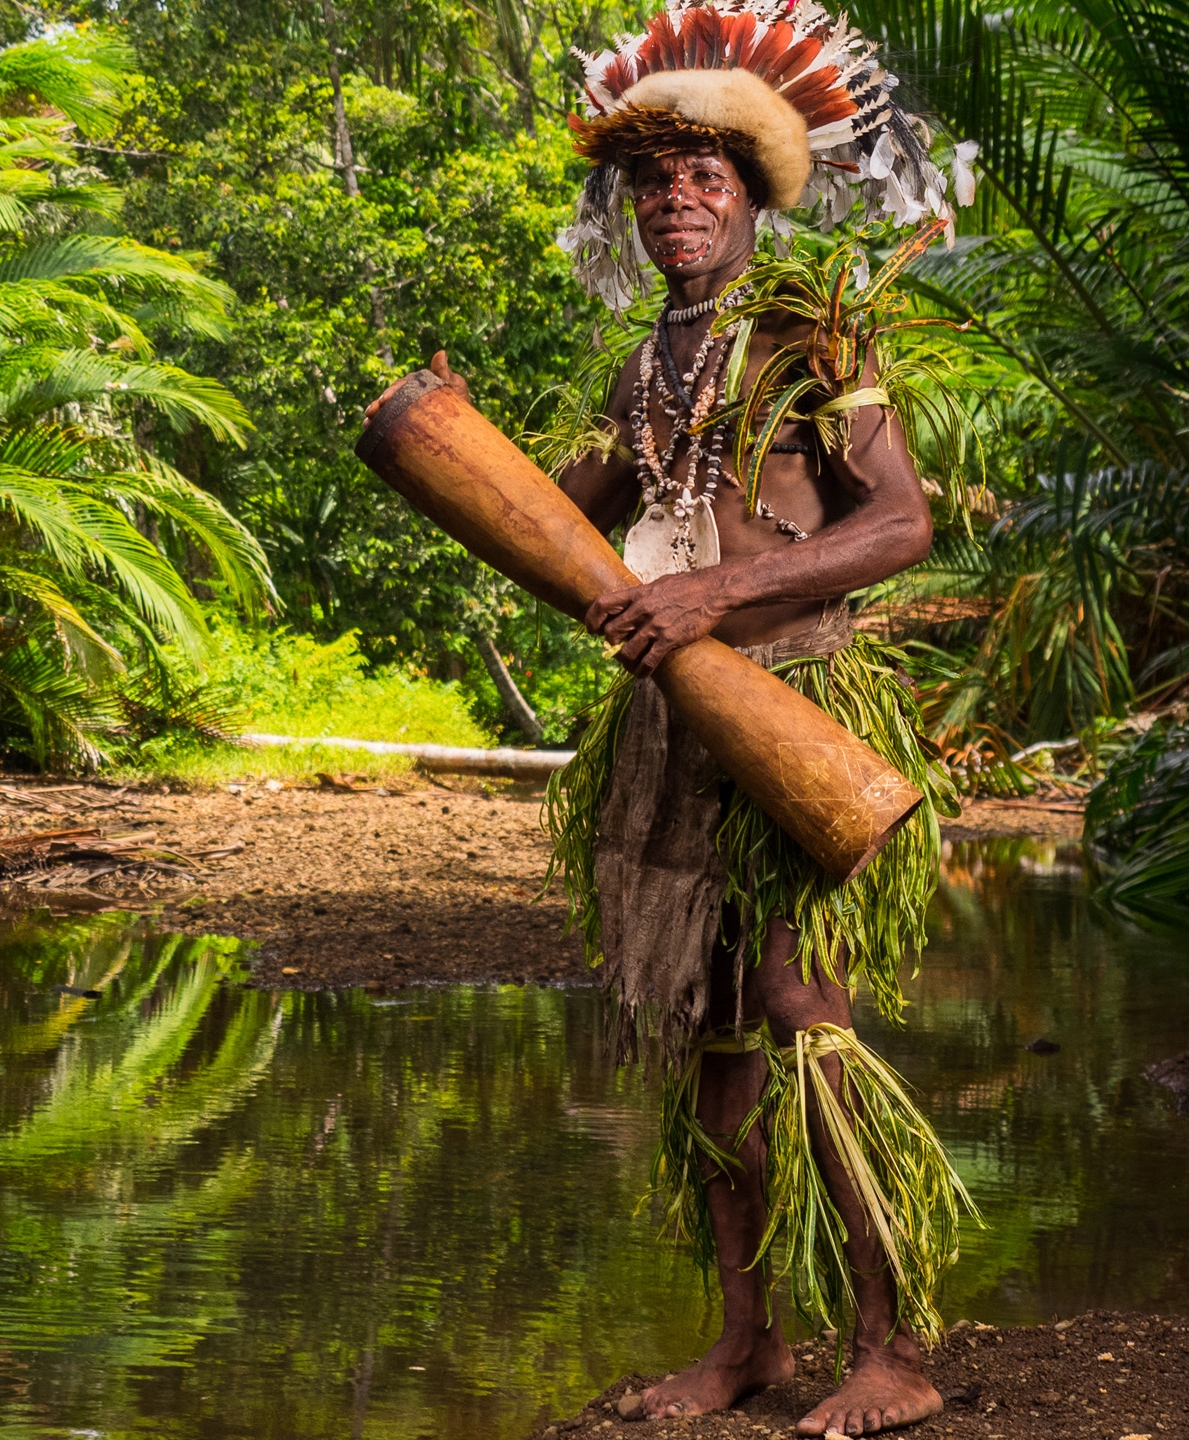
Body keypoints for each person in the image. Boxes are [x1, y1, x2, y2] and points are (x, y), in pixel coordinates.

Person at [368, 4, 971, 1434]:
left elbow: (902, 525)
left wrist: (711, 603)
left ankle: (890, 1351)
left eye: (703, 176)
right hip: (676, 736)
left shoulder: (814, 336)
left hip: (800, 708)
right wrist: (455, 449)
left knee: (800, 1015)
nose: (674, 202)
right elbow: (571, 525)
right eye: (650, 182)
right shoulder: (646, 372)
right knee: (710, 1038)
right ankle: (747, 1342)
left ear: (753, 192)